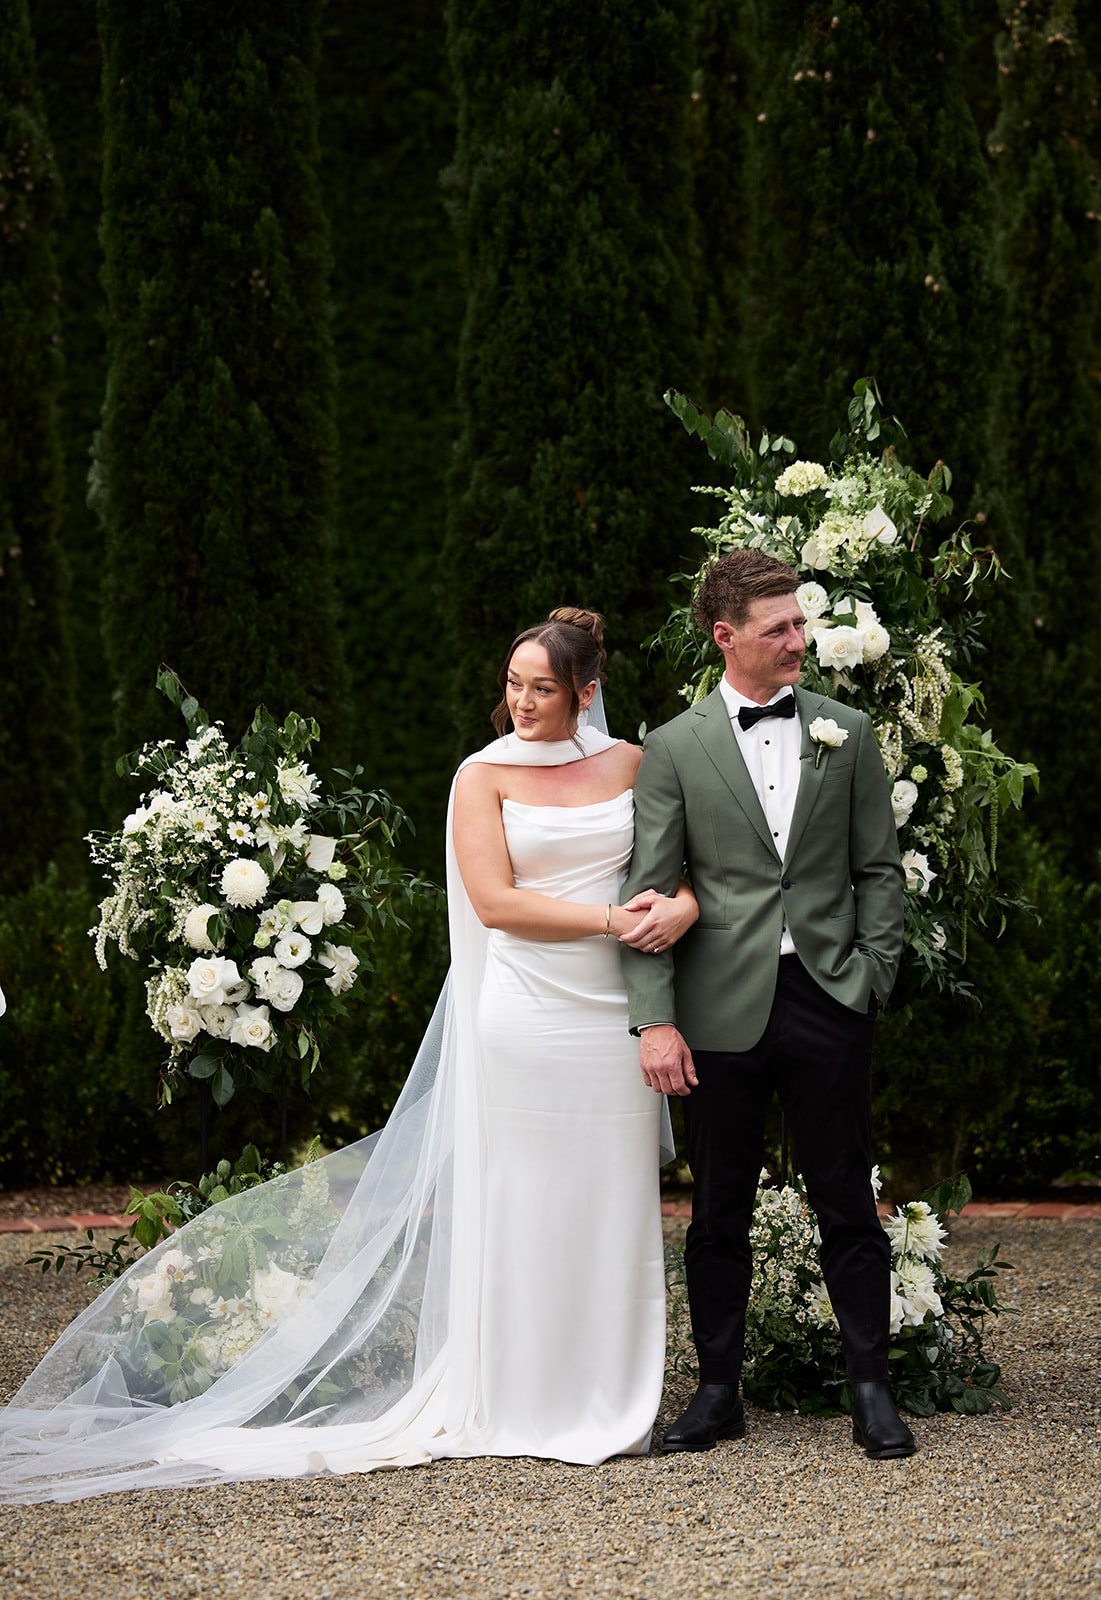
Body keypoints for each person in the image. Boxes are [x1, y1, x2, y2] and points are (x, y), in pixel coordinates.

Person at [0, 607, 696, 1503]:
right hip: (526, 1011)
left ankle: (611, 1394)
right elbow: (493, 902)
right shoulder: (480, 777)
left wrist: (675, 906)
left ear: (585, 692)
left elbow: (673, 864)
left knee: (609, 1194)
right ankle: (522, 1394)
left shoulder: (633, 764)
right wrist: (611, 919)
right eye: (513, 684)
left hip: (613, 1011)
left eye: (543, 687)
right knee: (523, 1198)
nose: (522, 702)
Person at [620, 550, 915, 1461]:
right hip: (716, 1010)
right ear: (725, 637)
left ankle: (871, 1387)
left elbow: (877, 870)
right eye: (778, 627)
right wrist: (655, 1019)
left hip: (828, 995)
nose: (799, 640)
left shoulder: (846, 730)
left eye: (800, 623)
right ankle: (717, 1392)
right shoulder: (672, 747)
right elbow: (647, 889)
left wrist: (869, 977)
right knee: (716, 1210)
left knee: (845, 1196)